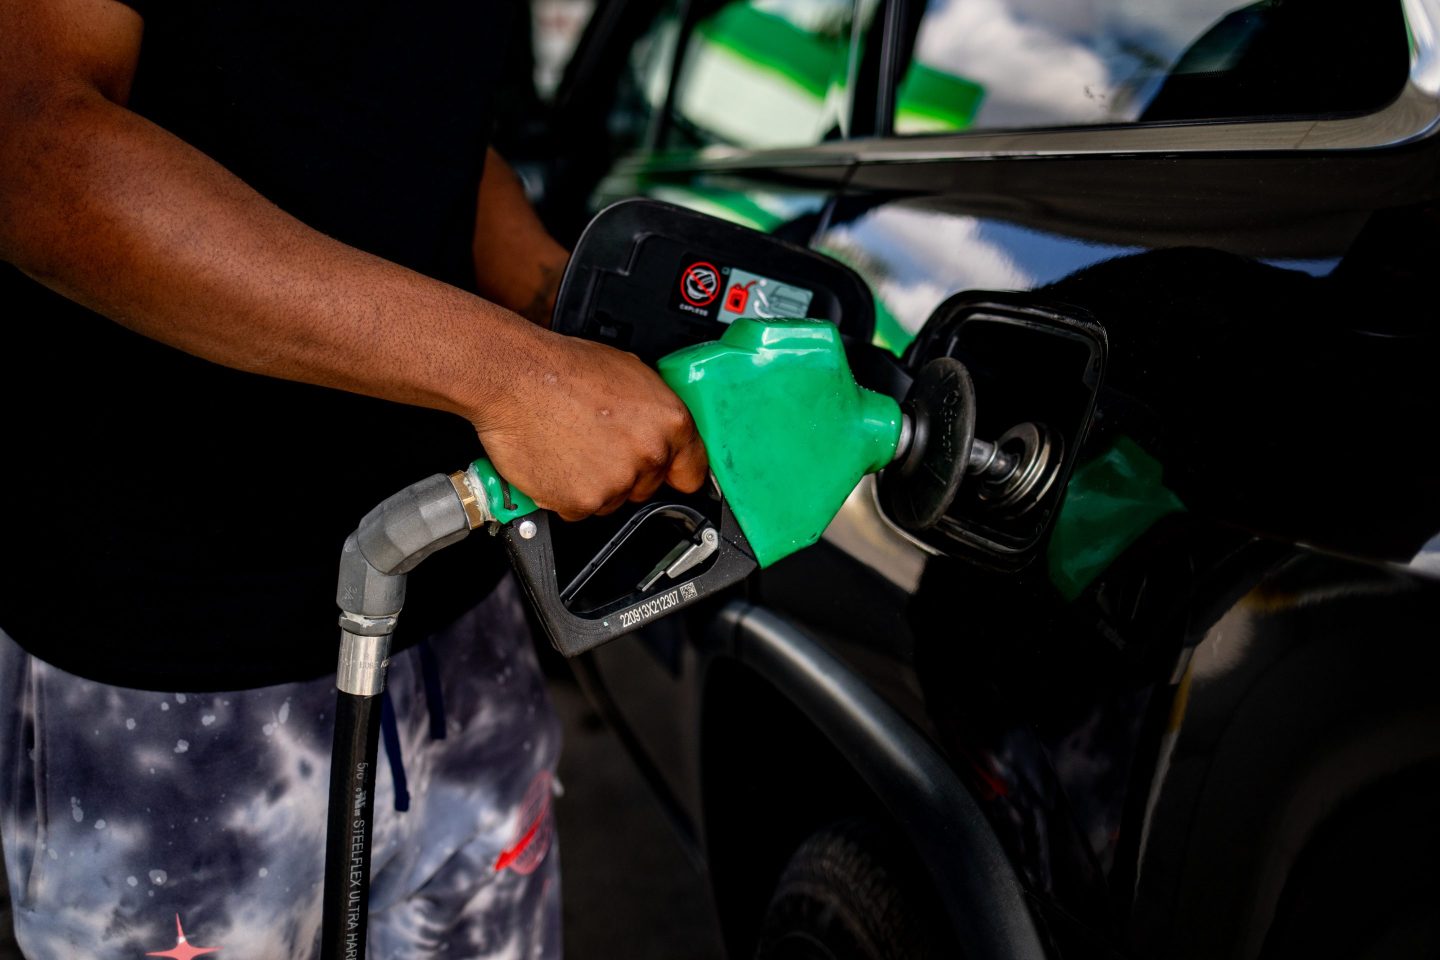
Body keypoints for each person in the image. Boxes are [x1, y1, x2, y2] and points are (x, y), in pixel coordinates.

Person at [0, 0, 709, 956]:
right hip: (180, 684)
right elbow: (30, 144)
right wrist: (513, 375)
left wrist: (568, 314)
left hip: (461, 614)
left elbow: (417, 126)